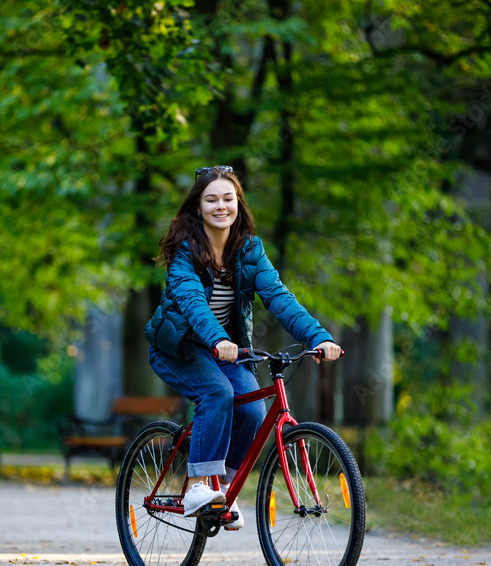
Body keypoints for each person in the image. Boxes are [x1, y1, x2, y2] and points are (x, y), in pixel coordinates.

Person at [144, 165, 343, 528]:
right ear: (198, 207)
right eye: (211, 199)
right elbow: (192, 303)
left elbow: (279, 298)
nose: (221, 206)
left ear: (238, 203)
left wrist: (319, 337)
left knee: (252, 412)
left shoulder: (249, 249)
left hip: (226, 349)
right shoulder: (184, 252)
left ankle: (221, 491)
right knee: (216, 393)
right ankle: (198, 486)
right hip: (181, 348)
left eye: (228, 198)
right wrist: (218, 339)